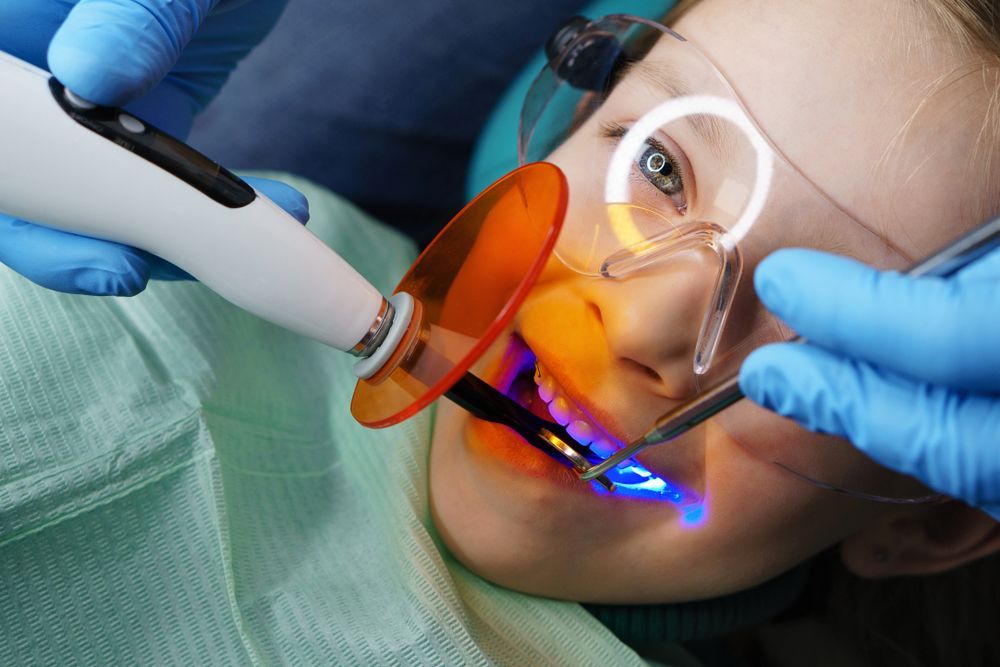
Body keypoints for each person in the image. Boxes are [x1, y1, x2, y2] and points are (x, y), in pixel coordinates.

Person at [0, 0, 997, 665]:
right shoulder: (196, 265)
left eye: (833, 327)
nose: (639, 318)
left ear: (936, 519)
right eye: (659, 169)